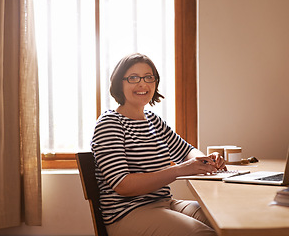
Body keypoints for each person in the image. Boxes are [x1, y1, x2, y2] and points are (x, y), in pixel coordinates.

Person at [91, 53, 226, 236]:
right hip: (128, 213)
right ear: (119, 83)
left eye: (148, 77)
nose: (142, 84)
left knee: (226, 221)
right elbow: (122, 185)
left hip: (165, 203)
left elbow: (187, 150)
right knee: (203, 234)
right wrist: (179, 170)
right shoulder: (110, 123)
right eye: (133, 78)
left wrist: (206, 161)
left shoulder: (153, 121)